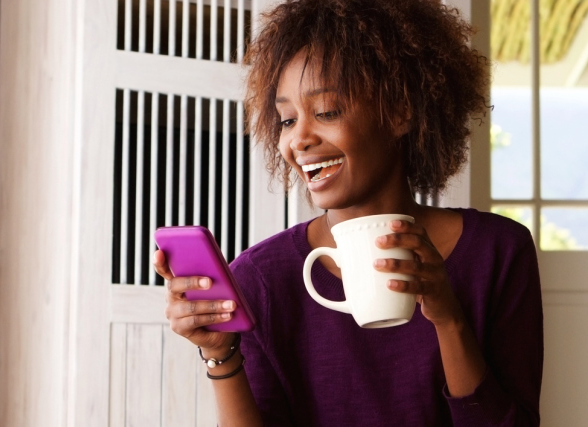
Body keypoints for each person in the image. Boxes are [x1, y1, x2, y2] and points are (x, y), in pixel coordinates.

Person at [152, 0, 542, 425]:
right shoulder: (260, 278)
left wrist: (448, 318)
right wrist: (219, 352)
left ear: (400, 112)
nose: (298, 139)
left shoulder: (498, 251)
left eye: (326, 112)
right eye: (286, 119)